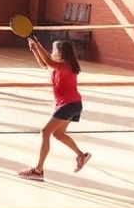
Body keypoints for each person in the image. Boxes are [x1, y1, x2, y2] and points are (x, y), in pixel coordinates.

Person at [19, 38, 91, 182]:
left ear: (61, 53)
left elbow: (48, 62)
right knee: (58, 134)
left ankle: (38, 170)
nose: (51, 52)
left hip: (68, 104)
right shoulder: (60, 66)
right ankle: (81, 155)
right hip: (72, 104)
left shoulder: (66, 65)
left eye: (54, 50)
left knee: (45, 132)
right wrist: (34, 49)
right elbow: (44, 64)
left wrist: (38, 43)